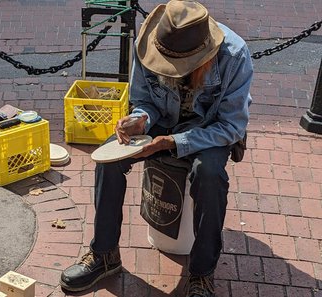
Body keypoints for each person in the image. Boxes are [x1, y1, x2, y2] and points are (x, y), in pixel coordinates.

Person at [60, 0, 253, 296]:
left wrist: (175, 142)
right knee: (108, 161)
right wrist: (139, 120)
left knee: (210, 173)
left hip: (208, 130)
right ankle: (104, 254)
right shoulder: (150, 42)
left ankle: (202, 273)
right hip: (162, 122)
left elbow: (231, 127)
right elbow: (143, 99)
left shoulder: (235, 56)